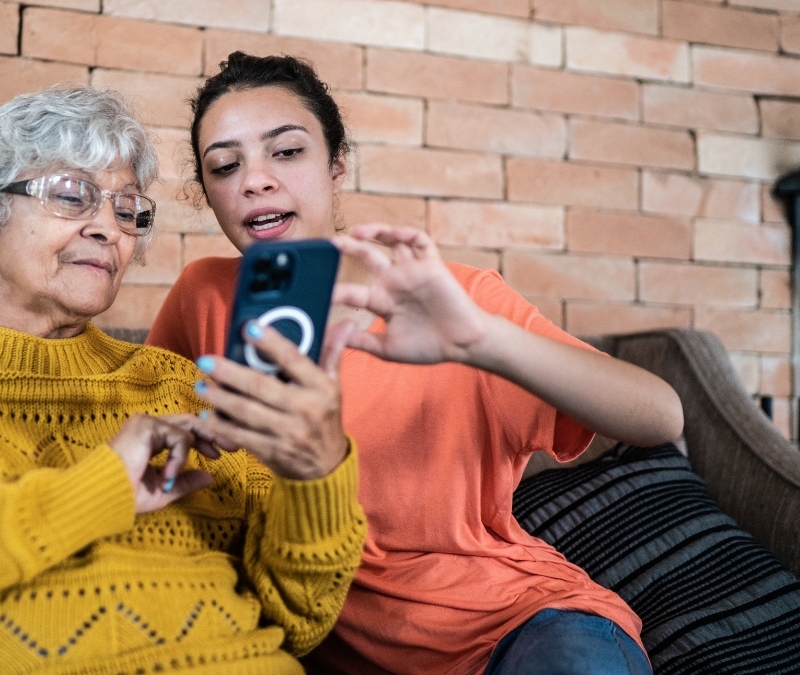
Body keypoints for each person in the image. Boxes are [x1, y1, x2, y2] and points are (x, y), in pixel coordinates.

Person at [0, 86, 367, 675]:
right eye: (73, 196)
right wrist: (103, 487)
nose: (108, 227)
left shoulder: (178, 388)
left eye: (126, 209)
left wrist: (314, 473)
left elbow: (298, 620)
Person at [146, 52, 685, 675]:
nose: (255, 180)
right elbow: (158, 453)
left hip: (515, 630)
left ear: (337, 164)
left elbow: (659, 416)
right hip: (312, 637)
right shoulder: (204, 298)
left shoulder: (451, 296)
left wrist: (479, 340)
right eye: (225, 165)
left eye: (286, 152)